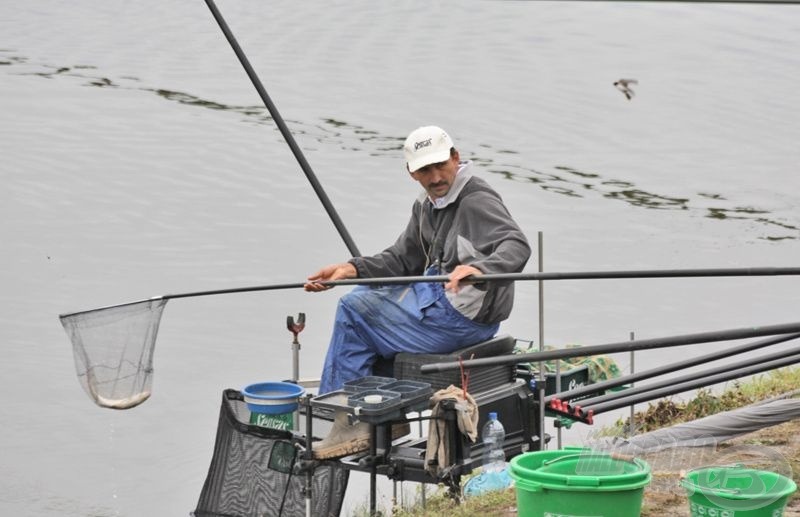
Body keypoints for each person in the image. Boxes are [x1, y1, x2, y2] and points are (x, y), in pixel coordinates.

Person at [305, 125, 531, 458]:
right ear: (412, 172)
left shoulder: (475, 200)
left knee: (353, 311)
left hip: (458, 320)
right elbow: (402, 258)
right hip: (436, 305)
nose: (436, 175)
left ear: (456, 157)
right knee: (361, 305)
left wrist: (481, 270)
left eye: (442, 164)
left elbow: (516, 244)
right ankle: (386, 418)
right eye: (425, 169)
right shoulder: (427, 204)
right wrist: (352, 269)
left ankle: (347, 420)